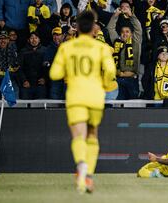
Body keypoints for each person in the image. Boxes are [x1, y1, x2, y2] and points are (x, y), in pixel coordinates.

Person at [50, 11, 116, 193]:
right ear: (93, 28)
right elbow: (111, 72)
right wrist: (102, 84)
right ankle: (88, 176)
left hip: (76, 97)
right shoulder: (101, 48)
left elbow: (54, 74)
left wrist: (70, 71)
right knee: (92, 136)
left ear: (77, 27)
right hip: (95, 97)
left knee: (79, 136)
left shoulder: (67, 47)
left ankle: (81, 165)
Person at [107, 4, 142, 100]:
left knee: (133, 108)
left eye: (127, 32)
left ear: (131, 34)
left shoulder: (135, 42)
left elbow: (138, 28)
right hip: (118, 79)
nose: (125, 34)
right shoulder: (117, 41)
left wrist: (131, 15)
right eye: (122, 32)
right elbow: (110, 28)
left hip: (131, 80)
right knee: (118, 108)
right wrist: (115, 15)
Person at [0, 30, 20, 99]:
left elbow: (17, 67)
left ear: (8, 40)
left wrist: (16, 67)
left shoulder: (13, 51)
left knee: (14, 101)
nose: (3, 41)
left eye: (5, 39)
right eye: (0, 39)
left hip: (10, 82)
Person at [17, 32, 47, 99]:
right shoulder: (23, 52)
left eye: (36, 38)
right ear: (28, 40)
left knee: (41, 107)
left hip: (40, 84)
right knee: (25, 106)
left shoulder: (45, 51)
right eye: (32, 38)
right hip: (27, 84)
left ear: (39, 40)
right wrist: (24, 80)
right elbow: (19, 68)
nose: (34, 40)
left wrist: (45, 78)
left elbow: (48, 67)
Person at [44, 27, 65, 99]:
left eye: (58, 35)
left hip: (67, 78)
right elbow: (45, 62)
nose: (56, 37)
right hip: (56, 79)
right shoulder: (49, 48)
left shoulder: (68, 46)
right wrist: (47, 64)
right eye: (54, 35)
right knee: (54, 101)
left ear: (62, 36)